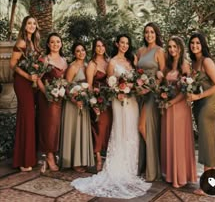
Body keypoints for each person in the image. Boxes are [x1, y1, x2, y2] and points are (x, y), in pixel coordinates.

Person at [71, 34, 151, 199]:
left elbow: (137, 80)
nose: (124, 45)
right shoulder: (112, 62)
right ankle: (119, 167)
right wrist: (119, 91)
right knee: (121, 131)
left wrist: (134, 87)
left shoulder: (132, 61)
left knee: (132, 132)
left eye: (127, 43)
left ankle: (133, 167)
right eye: (121, 42)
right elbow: (110, 83)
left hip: (132, 100)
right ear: (116, 44)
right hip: (118, 101)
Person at [188, 32, 215, 195]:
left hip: (209, 105)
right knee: (205, 142)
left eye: (197, 43)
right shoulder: (194, 63)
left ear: (203, 45)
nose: (194, 46)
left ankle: (208, 184)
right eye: (192, 43)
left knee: (207, 144)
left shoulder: (207, 61)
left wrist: (198, 96)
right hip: (198, 104)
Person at [161, 36, 197, 188]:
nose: (172, 49)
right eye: (169, 47)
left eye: (174, 46)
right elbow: (164, 85)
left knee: (179, 140)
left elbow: (185, 91)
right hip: (168, 107)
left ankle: (180, 176)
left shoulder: (184, 65)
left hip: (179, 107)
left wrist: (171, 102)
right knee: (169, 139)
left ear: (180, 48)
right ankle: (170, 174)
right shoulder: (169, 65)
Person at [10, 16, 41, 172]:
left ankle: (29, 157)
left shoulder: (34, 43)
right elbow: (12, 65)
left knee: (29, 117)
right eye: (29, 23)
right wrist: (28, 76)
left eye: (34, 23)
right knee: (27, 117)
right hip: (23, 82)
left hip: (32, 82)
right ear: (24, 25)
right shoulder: (22, 42)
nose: (32, 26)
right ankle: (23, 160)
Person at [137, 22, 165, 181]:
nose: (149, 35)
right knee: (142, 130)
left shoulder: (160, 51)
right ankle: (146, 166)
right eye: (147, 32)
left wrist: (151, 88)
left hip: (152, 95)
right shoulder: (140, 51)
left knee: (142, 127)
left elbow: (162, 74)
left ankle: (154, 165)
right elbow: (137, 72)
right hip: (140, 94)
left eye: (152, 32)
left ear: (156, 34)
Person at [62, 42, 94, 172]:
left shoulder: (87, 66)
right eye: (78, 51)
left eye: (83, 50)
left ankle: (82, 160)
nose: (81, 53)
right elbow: (67, 86)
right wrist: (75, 100)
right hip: (73, 105)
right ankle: (73, 162)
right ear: (74, 53)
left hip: (83, 103)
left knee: (82, 131)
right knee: (74, 130)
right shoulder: (73, 67)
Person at [37, 33, 67, 172]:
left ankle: (54, 152)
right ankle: (49, 155)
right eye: (52, 42)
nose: (55, 44)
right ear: (48, 44)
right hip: (47, 99)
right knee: (48, 126)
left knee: (56, 126)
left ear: (61, 44)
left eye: (58, 42)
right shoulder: (45, 59)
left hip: (59, 98)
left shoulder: (64, 60)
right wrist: (46, 93)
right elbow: (37, 78)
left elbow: (65, 80)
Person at [86, 38, 112, 172]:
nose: (100, 48)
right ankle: (98, 158)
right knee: (99, 128)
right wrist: (93, 103)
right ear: (94, 48)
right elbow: (89, 86)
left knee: (108, 127)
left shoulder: (109, 62)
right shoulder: (92, 64)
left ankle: (107, 156)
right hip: (98, 101)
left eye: (102, 45)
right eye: (97, 46)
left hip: (109, 101)